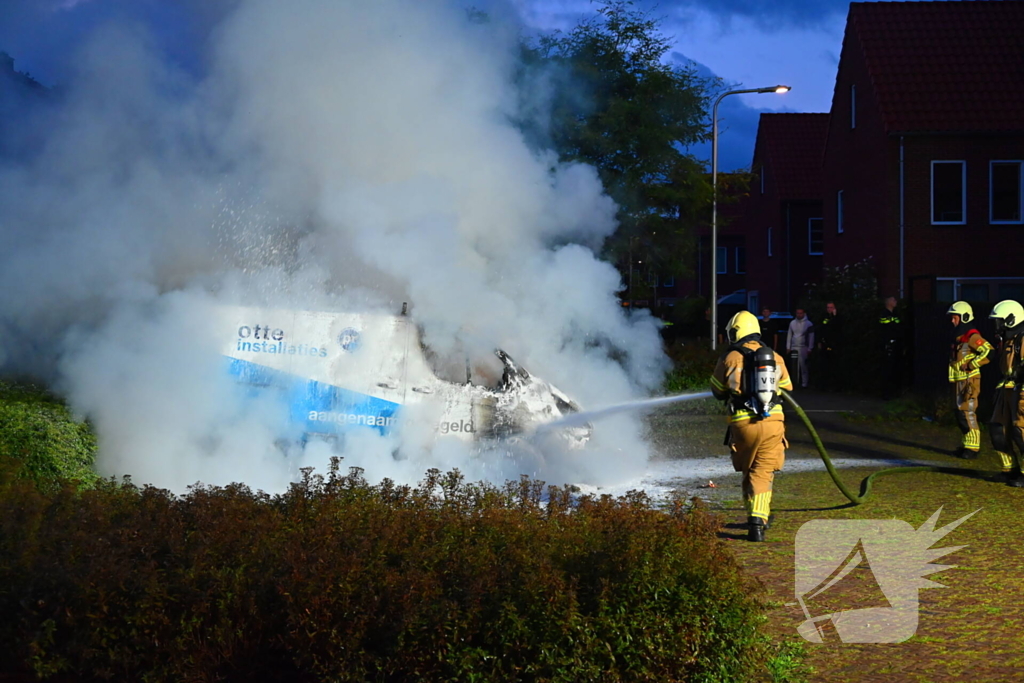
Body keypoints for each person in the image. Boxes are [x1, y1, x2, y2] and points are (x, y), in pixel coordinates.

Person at [711, 310, 793, 542]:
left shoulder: (729, 358)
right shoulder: (775, 357)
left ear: (735, 332)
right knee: (763, 471)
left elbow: (717, 391)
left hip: (743, 423)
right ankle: (757, 522)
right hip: (773, 422)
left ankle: (757, 518)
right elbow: (787, 387)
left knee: (750, 469)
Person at [946, 302, 992, 459]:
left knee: (967, 412)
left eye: (955, 318)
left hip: (969, 381)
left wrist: (972, 364)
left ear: (964, 317)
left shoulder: (972, 336)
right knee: (960, 413)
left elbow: (989, 351)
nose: (952, 321)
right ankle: (967, 444)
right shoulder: (959, 336)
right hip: (959, 380)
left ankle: (973, 448)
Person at [987, 300, 1024, 486]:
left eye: (1000, 320)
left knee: (1020, 432)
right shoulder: (1008, 338)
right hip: (1005, 387)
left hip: (1020, 389)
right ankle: (1009, 469)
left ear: (1011, 318)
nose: (997, 325)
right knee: (997, 429)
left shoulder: (1022, 338)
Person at [878, 296, 905, 399]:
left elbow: (899, 327)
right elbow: (886, 327)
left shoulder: (895, 314)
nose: (895, 302)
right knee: (887, 369)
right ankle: (886, 393)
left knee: (895, 369)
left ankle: (894, 392)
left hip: (896, 345)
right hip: (888, 345)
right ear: (888, 302)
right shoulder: (884, 314)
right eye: (893, 300)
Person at [816, 302, 842, 391]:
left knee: (834, 365)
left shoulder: (838, 318)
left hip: (834, 345)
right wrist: (819, 341)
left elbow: (836, 328)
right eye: (828, 307)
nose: (829, 309)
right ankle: (823, 385)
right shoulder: (824, 317)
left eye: (831, 307)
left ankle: (835, 386)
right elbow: (821, 329)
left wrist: (834, 317)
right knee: (823, 365)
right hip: (825, 344)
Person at [786, 308, 814, 389]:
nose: (799, 315)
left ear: (804, 313)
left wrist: (810, 348)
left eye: (800, 313)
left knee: (803, 366)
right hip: (794, 346)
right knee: (795, 366)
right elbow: (789, 335)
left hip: (804, 347)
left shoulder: (808, 324)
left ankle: (804, 383)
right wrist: (788, 347)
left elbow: (811, 336)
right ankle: (796, 382)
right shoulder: (792, 323)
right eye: (798, 313)